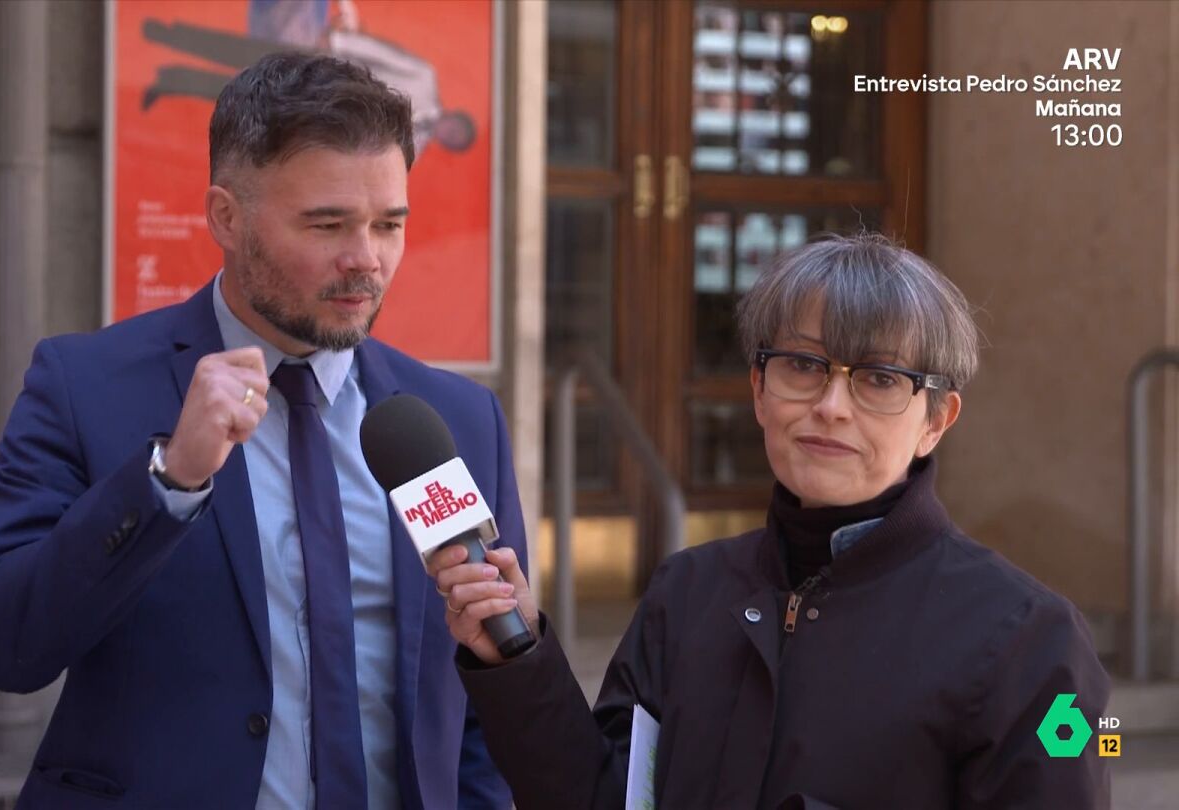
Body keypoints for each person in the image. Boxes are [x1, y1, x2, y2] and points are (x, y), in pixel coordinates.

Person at [0, 52, 523, 809]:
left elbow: (485, 694)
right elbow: (2, 643)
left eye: (389, 224)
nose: (366, 260)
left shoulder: (453, 420)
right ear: (226, 217)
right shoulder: (86, 385)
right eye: (327, 224)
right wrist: (168, 482)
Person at [431, 235, 1110, 809]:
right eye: (803, 366)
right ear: (759, 389)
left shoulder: (1031, 639)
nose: (831, 406)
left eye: (879, 378)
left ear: (937, 419)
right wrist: (517, 658)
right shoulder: (687, 593)